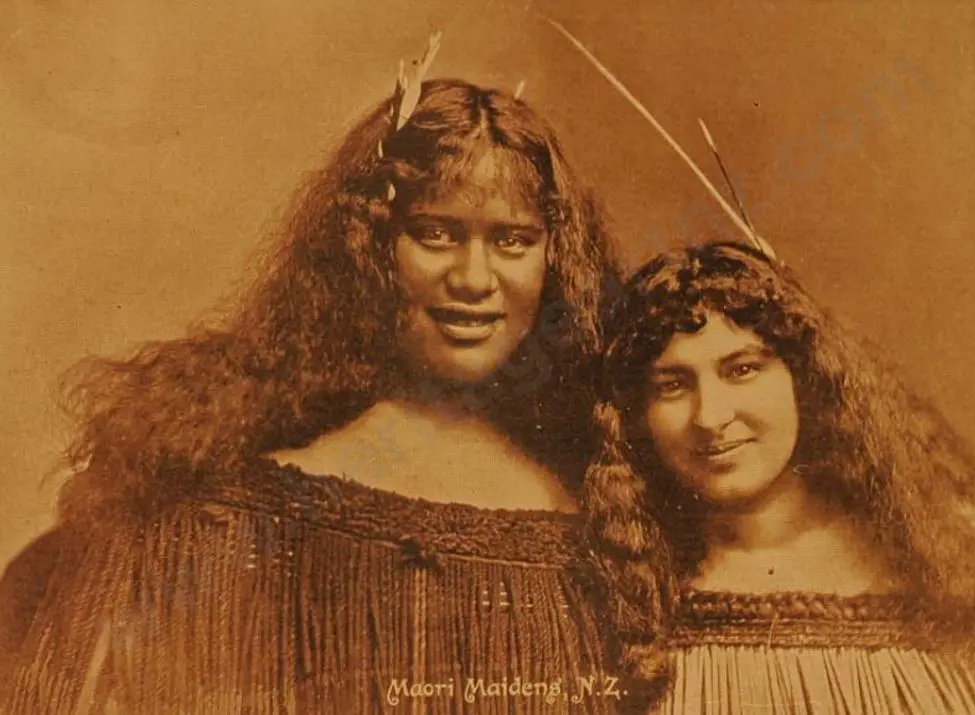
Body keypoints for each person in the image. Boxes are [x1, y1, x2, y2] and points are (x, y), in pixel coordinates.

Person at [0, 77, 625, 714]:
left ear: (553, 259)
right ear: (371, 245)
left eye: (512, 241)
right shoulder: (208, 506)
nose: (473, 278)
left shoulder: (605, 520)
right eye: (435, 233)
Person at [583, 241, 975, 714]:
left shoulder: (949, 561)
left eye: (743, 370)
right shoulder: (624, 589)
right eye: (672, 385)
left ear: (804, 377)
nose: (710, 417)